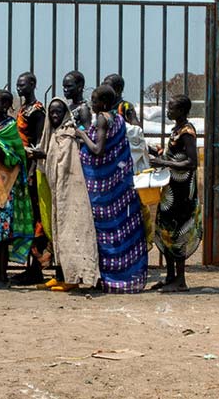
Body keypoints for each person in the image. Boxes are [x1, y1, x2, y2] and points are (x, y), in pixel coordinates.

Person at [77, 85, 148, 293]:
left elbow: (98, 150)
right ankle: (125, 277)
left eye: (95, 100)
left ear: (105, 104)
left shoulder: (102, 119)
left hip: (103, 188)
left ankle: (109, 279)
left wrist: (81, 134)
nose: (92, 103)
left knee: (105, 231)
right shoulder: (118, 119)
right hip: (119, 186)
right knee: (121, 230)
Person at [38, 97, 100, 291]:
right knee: (58, 232)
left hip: (72, 191)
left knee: (73, 232)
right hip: (56, 190)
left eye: (58, 112)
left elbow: (70, 161)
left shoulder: (70, 133)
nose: (55, 115)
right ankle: (62, 275)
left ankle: (75, 277)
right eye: (52, 112)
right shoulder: (52, 133)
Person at [0, 89, 33, 288]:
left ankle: (2, 275)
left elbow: (15, 157)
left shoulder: (10, 125)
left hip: (4, 185)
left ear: (7, 104)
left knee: (2, 233)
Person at [149, 94, 202, 292]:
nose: (168, 111)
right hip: (171, 189)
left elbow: (191, 162)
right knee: (166, 230)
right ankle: (170, 275)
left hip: (181, 193)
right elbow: (174, 154)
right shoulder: (176, 130)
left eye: (171, 108)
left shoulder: (187, 132)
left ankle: (181, 280)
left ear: (181, 111)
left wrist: (164, 162)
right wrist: (159, 153)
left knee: (177, 231)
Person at [11, 72, 49, 286]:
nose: (19, 88)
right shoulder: (23, 109)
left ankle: (37, 268)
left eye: (22, 85)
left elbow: (38, 144)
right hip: (20, 169)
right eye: (17, 85)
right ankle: (30, 268)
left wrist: (33, 171)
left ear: (33, 84)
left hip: (31, 170)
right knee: (26, 220)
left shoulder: (37, 111)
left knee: (36, 219)